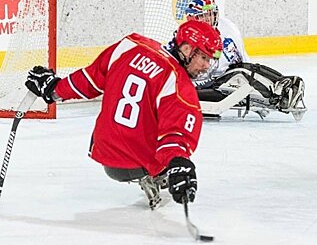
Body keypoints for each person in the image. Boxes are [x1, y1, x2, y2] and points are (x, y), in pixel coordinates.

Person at [24, 20, 222, 209]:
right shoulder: (181, 89)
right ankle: (155, 174)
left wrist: (54, 90)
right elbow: (175, 137)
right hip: (138, 163)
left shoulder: (131, 45)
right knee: (167, 123)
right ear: (187, 49)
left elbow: (91, 80)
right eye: (204, 57)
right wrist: (179, 163)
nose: (206, 66)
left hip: (105, 152)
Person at [183, 0, 307, 121]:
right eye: (204, 15)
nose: (209, 19)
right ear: (192, 18)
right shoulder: (186, 40)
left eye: (211, 14)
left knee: (245, 70)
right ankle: (277, 95)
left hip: (225, 77)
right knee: (240, 74)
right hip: (205, 86)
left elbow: (243, 61)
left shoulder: (226, 26)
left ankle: (281, 83)